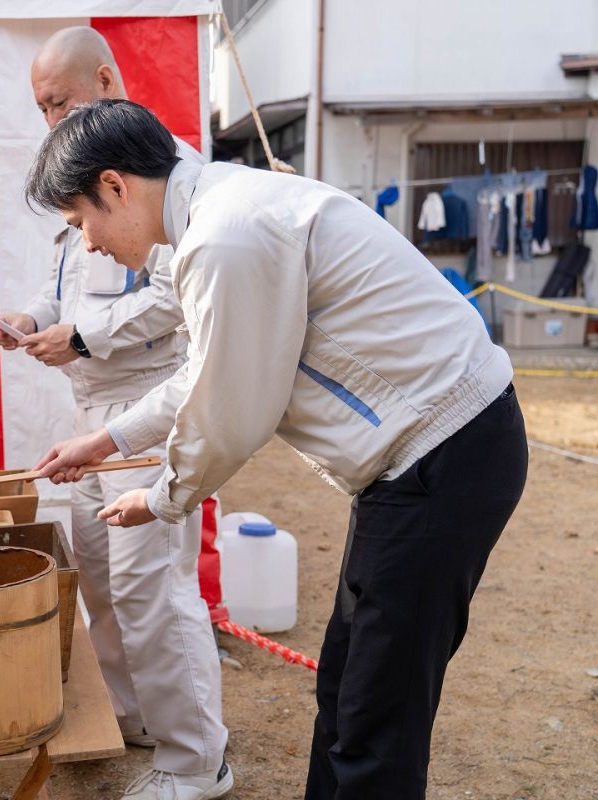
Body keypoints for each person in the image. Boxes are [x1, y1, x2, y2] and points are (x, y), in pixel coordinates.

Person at [28, 100, 527, 800]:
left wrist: (164, 496)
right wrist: (107, 439)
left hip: (441, 455)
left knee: (374, 717)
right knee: (348, 686)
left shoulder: (223, 237)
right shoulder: (223, 211)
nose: (89, 245)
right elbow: (206, 374)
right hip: (418, 463)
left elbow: (231, 410)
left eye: (82, 222)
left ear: (115, 185)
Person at [0, 27, 230, 800]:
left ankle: (198, 758)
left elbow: (174, 295)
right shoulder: (84, 172)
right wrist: (31, 320)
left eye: (59, 101)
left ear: (104, 77)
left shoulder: (168, 173)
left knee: (151, 586)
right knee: (98, 575)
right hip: (93, 408)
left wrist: (87, 335)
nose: (51, 119)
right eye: (41, 108)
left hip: (148, 406)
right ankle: (133, 716)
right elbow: (61, 279)